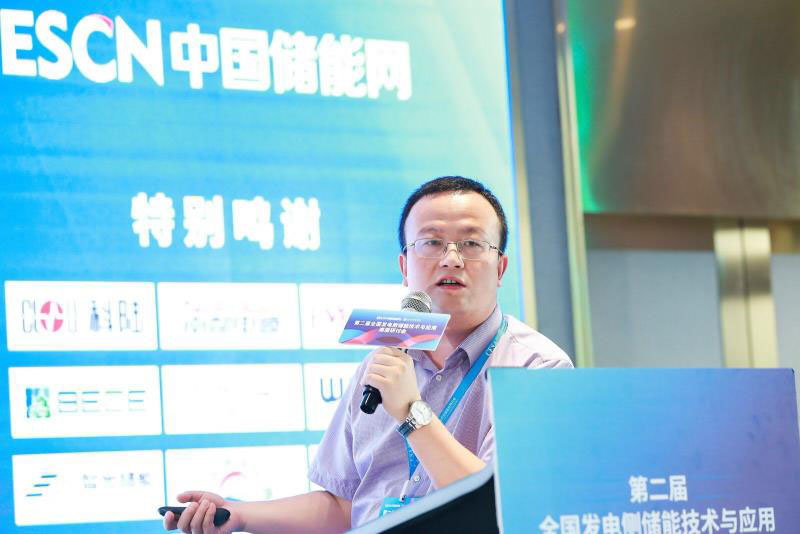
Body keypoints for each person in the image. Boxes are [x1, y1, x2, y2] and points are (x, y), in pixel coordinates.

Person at [163, 176, 572, 534]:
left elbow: (504, 507)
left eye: (471, 243)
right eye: (432, 242)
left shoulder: (538, 367)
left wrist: (412, 414)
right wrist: (238, 514)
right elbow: (345, 505)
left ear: (500, 268)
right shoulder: (385, 362)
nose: (451, 258)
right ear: (404, 266)